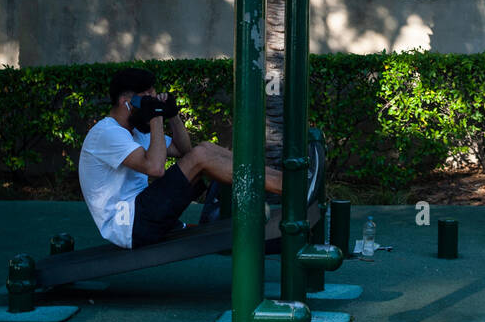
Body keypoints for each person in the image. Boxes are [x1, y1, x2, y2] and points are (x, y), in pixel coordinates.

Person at [79, 68, 318, 249]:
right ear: (127, 103)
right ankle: (290, 188)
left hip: (144, 214)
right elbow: (156, 168)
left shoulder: (134, 132)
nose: (152, 105)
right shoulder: (107, 133)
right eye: (147, 100)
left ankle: (290, 180)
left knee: (204, 149)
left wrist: (171, 115)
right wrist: (156, 118)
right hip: (130, 225)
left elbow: (185, 150)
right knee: (201, 155)